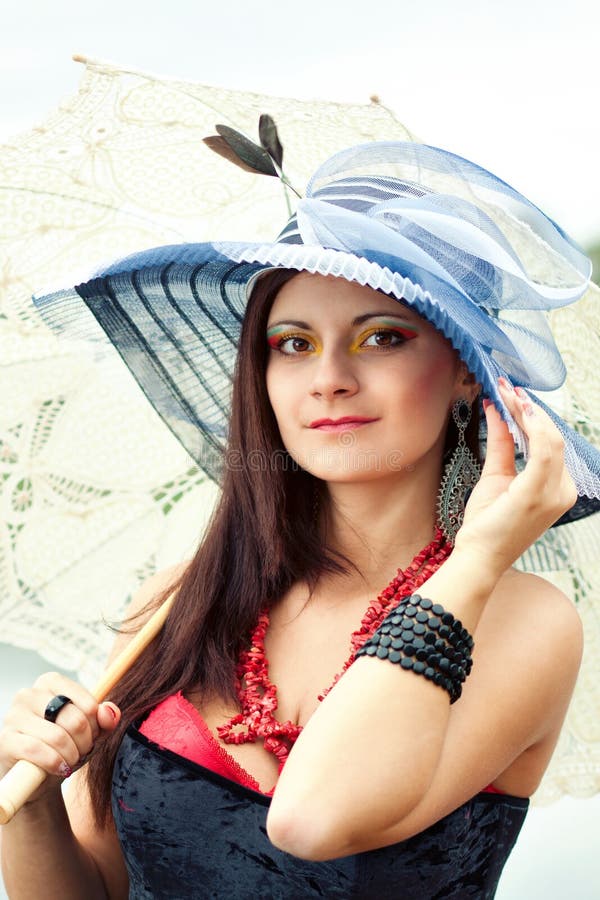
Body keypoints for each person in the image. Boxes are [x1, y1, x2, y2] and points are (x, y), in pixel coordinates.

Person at [1, 141, 599, 899]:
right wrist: (29, 798)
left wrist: (477, 557)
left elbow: (312, 822)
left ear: (462, 372)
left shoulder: (521, 621)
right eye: (293, 345)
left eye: (383, 337)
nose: (329, 380)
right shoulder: (174, 605)